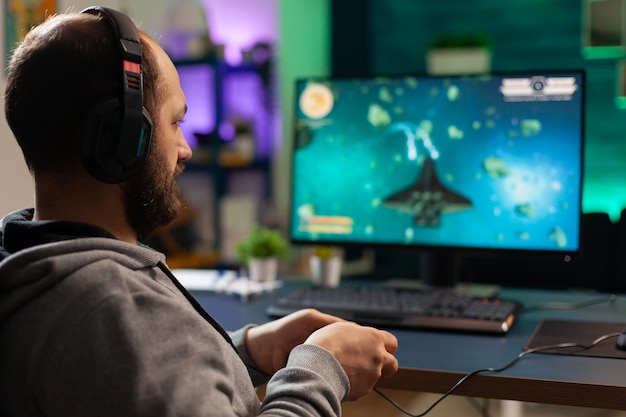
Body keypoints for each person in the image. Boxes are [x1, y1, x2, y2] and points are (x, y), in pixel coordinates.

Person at [0, 6, 398, 417]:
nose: (186, 148)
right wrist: (320, 369)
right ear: (122, 139)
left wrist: (246, 349)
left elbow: (139, 384)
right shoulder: (120, 311)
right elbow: (138, 349)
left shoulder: (27, 270)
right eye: (175, 123)